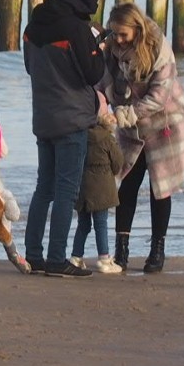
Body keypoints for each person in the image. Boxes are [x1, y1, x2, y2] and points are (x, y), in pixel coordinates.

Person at [98, 3, 184, 273]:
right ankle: (122, 251)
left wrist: (125, 113)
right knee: (127, 183)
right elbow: (103, 79)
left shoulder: (159, 50)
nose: (117, 39)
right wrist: (101, 103)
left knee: (160, 187)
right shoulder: (111, 47)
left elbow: (158, 97)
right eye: (114, 33)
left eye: (123, 35)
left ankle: (157, 249)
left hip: (166, 120)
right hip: (129, 120)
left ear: (137, 30)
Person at [22, 0, 105, 278]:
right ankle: (57, 258)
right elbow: (93, 73)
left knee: (44, 188)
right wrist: (98, 49)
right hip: (72, 119)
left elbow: (30, 67)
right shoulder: (77, 29)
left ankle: (33, 255)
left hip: (43, 117)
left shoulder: (33, 26)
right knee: (66, 190)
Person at [69, 91, 124, 274]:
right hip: (102, 188)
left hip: (82, 188)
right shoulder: (107, 138)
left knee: (83, 225)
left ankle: (76, 257)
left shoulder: (80, 135)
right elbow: (118, 163)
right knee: (101, 223)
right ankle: (104, 258)